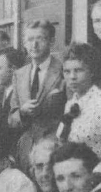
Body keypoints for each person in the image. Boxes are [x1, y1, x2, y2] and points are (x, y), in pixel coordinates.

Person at [9, 20, 66, 172]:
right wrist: (22, 112)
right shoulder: (19, 75)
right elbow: (11, 119)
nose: (34, 45)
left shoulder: (63, 71)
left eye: (40, 39)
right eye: (29, 40)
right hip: (26, 150)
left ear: (51, 41)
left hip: (54, 149)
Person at [57, 42, 101, 158]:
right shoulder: (70, 104)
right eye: (67, 72)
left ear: (92, 71)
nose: (72, 77)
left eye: (78, 70)